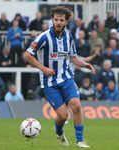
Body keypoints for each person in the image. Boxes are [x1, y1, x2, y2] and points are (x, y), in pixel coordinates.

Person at [24, 6, 94, 148]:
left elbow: (73, 57)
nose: (58, 22)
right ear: (52, 20)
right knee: (63, 116)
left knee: (77, 107)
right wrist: (43, 69)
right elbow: (27, 55)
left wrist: (85, 64)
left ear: (66, 22)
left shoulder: (69, 37)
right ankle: (59, 132)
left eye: (61, 20)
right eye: (56, 20)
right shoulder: (44, 37)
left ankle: (80, 141)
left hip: (67, 78)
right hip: (49, 82)